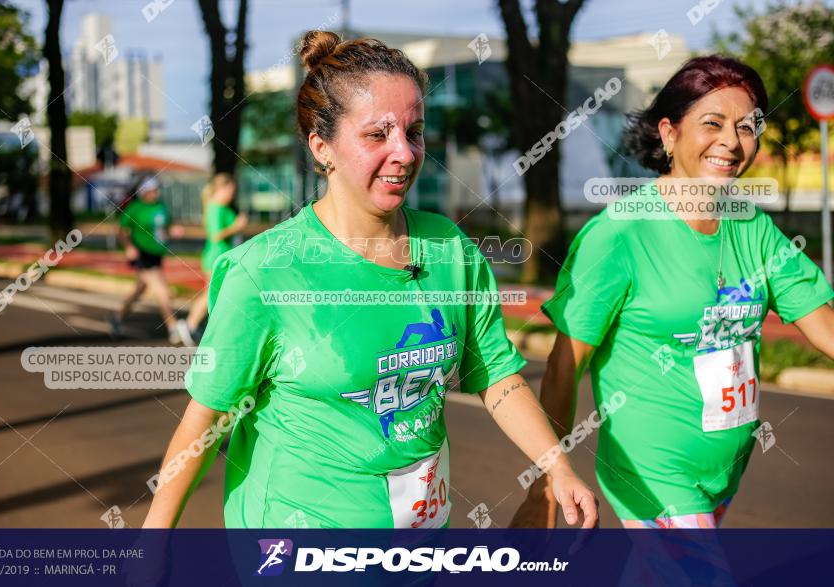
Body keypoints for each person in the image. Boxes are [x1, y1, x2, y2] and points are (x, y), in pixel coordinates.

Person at [141, 31, 598, 529]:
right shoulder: (264, 272)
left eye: (414, 132)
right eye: (377, 135)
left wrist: (558, 468)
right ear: (323, 147)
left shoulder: (451, 250)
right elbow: (206, 421)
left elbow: (497, 375)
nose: (404, 153)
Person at [512, 55, 834, 529]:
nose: (731, 141)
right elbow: (563, 367)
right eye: (713, 123)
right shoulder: (620, 234)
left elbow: (823, 324)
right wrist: (549, 479)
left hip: (722, 475)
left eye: (746, 127)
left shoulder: (755, 229)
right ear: (669, 133)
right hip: (652, 474)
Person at [108, 176, 185, 345]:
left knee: (139, 290)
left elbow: (165, 228)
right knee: (162, 290)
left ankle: (117, 317)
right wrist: (129, 246)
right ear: (144, 192)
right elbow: (121, 230)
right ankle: (173, 327)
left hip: (156, 255)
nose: (155, 193)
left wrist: (173, 231)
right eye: (152, 190)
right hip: (142, 254)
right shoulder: (135, 208)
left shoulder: (161, 206)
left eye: (157, 190)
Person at [176, 173, 247, 346]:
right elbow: (215, 236)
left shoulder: (220, 207)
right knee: (212, 294)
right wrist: (236, 226)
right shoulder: (216, 208)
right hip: (217, 257)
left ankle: (199, 327)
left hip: (224, 256)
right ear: (222, 189)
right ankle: (190, 325)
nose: (232, 195)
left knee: (221, 294)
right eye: (231, 191)